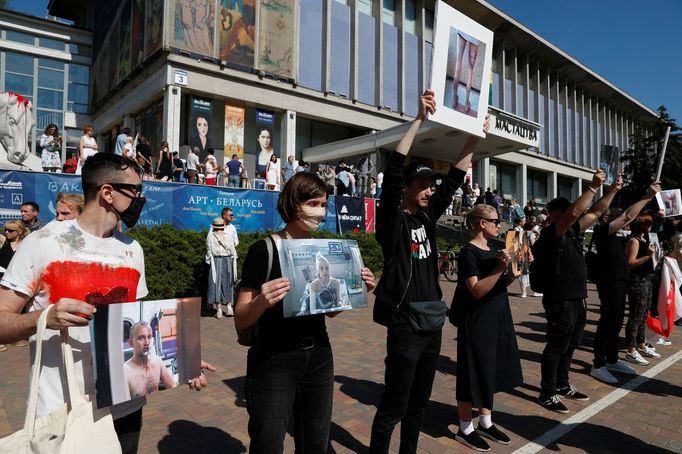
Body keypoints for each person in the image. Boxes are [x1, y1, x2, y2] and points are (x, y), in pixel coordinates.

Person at [0, 153, 214, 454]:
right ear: (108, 193)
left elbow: (139, 321)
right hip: (62, 413)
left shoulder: (132, 250)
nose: (140, 198)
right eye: (135, 191)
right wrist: (44, 318)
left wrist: (185, 360)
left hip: (124, 408)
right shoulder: (43, 243)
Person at [369, 90, 487, 454]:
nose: (428, 191)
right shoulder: (392, 221)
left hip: (432, 321)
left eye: (429, 187)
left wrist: (474, 138)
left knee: (418, 405)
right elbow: (392, 170)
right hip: (405, 323)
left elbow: (453, 178)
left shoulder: (427, 217)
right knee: (393, 405)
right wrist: (419, 120)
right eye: (421, 185)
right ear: (406, 189)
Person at [234, 172, 376, 453]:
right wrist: (262, 301)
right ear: (293, 204)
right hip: (273, 359)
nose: (319, 212)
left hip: (319, 356)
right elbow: (241, 318)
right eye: (312, 203)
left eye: (323, 204)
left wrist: (358, 290)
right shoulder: (264, 250)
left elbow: (329, 312)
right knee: (268, 442)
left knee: (315, 442)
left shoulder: (321, 250)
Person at [536, 169, 619, 414]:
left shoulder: (572, 232)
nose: (570, 213)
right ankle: (547, 392)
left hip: (578, 297)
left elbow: (595, 211)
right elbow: (575, 213)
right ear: (553, 214)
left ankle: (562, 384)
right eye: (561, 210)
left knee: (572, 343)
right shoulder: (550, 233)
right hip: (560, 298)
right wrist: (593, 187)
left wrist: (612, 190)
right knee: (556, 345)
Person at [449, 204, 522, 451]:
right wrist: (501, 267)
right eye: (495, 220)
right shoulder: (468, 252)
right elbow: (477, 290)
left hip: (497, 317)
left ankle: (486, 422)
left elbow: (502, 282)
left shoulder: (492, 250)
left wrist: (517, 266)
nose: (498, 225)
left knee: (489, 367)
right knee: (472, 370)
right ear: (482, 223)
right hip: (477, 320)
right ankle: (465, 427)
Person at [590, 181, 661, 384]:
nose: (621, 216)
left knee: (616, 322)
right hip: (610, 282)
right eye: (615, 213)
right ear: (606, 217)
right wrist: (647, 194)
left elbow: (633, 219)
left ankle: (611, 359)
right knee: (607, 322)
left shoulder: (618, 235)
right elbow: (629, 215)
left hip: (620, 282)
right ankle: (598, 364)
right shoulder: (602, 231)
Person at [624, 213, 662, 366]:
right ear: (642, 225)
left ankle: (641, 345)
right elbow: (630, 263)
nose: (651, 226)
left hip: (646, 280)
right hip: (637, 281)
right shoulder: (634, 241)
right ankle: (631, 350)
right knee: (636, 316)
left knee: (643, 315)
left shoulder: (645, 239)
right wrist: (648, 256)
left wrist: (655, 256)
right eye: (649, 224)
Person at [124, 321, 176, 398]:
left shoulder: (157, 362)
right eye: (141, 338)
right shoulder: (125, 372)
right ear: (131, 343)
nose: (146, 342)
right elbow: (125, 407)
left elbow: (172, 386)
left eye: (149, 337)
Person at [0, 220, 29, 352]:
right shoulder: (3, 242)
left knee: (16, 310)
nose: (6, 232)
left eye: (10, 230)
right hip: (1, 279)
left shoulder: (26, 244)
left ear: (19, 232)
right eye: (5, 230)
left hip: (17, 280)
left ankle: (14, 337)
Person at [206, 217, 237, 318]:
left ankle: (219, 310)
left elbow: (209, 251)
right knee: (227, 283)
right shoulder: (228, 236)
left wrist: (209, 261)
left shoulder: (210, 237)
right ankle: (229, 307)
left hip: (216, 261)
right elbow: (233, 250)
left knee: (216, 284)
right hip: (227, 260)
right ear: (223, 227)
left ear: (214, 227)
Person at [451, 32, 480, 114]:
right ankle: (466, 102)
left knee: (458, 66)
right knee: (470, 72)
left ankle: (454, 98)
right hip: (475, 36)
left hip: (463, 32)